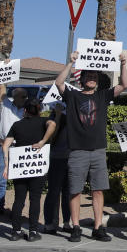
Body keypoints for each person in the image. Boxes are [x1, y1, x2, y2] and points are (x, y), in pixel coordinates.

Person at [55, 50, 127, 243]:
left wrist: (123, 63)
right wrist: (70, 62)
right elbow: (59, 83)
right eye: (88, 76)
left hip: (98, 151)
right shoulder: (73, 96)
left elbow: (124, 84)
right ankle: (76, 227)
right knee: (75, 191)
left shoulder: (103, 96)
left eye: (94, 76)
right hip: (77, 151)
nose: (91, 79)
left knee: (98, 190)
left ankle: (98, 228)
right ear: (82, 79)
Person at [1, 99, 56, 241]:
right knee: (35, 199)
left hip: (20, 167)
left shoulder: (17, 125)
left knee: (18, 199)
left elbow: (5, 146)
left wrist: (7, 165)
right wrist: (43, 141)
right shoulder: (44, 121)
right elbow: (53, 124)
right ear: (40, 110)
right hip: (37, 167)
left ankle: (15, 231)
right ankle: (32, 232)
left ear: (24, 111)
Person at [0, 81, 28, 218]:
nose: (24, 99)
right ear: (15, 97)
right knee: (1, 179)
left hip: (19, 148)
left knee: (19, 181)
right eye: (22, 96)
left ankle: (17, 209)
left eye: (25, 96)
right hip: (5, 148)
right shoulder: (7, 105)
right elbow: (2, 91)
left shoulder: (27, 111)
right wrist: (3, 78)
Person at [43, 98, 73, 236]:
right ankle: (50, 224)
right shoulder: (52, 118)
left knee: (68, 192)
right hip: (56, 157)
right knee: (54, 192)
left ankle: (67, 222)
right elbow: (51, 137)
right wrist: (59, 115)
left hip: (72, 157)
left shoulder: (74, 116)